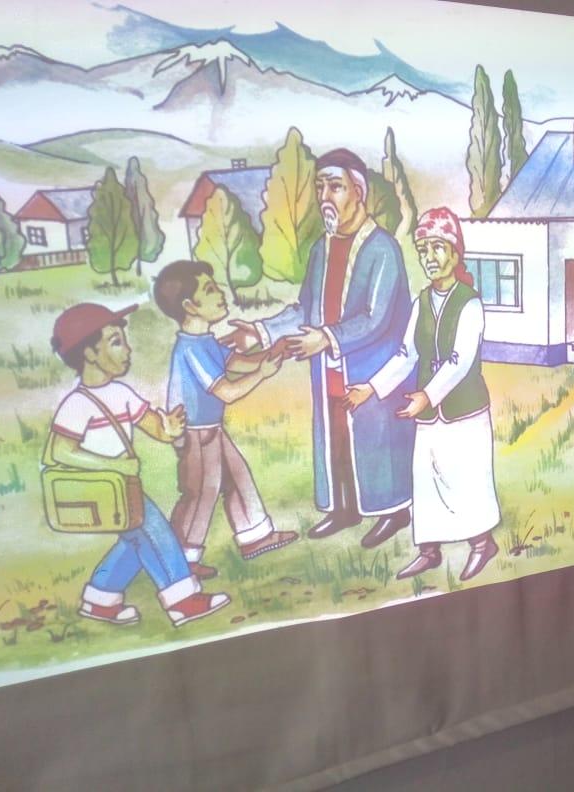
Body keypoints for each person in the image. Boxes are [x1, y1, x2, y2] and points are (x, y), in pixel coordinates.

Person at [222, 149, 414, 549]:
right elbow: (304, 309)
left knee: (376, 439)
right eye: (321, 187)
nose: (325, 197)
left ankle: (393, 510)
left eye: (335, 187)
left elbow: (376, 318)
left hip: (371, 369)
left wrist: (326, 338)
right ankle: (344, 508)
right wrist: (260, 332)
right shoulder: (320, 250)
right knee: (336, 438)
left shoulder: (382, 249)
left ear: (358, 191)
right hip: (329, 367)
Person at [47, 302, 230, 627]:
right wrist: (113, 466)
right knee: (155, 530)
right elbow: (60, 452)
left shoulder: (121, 393)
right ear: (89, 353)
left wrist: (169, 429)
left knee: (135, 541)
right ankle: (182, 600)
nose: (128, 350)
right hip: (100, 489)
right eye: (116, 342)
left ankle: (100, 600)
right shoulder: (77, 404)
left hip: (122, 487)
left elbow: (155, 427)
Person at [345, 208, 500, 581]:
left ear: (455, 253)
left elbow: (460, 361)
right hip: (429, 414)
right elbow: (406, 355)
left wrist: (427, 396)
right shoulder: (422, 302)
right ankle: (428, 552)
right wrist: (371, 388)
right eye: (423, 249)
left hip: (464, 411)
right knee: (426, 479)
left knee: (466, 477)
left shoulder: (470, 303)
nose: (429, 257)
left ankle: (482, 544)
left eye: (437, 247)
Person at [154, 259, 297, 580]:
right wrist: (262, 373)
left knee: (237, 477)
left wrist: (274, 353)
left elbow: (236, 362)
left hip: (211, 430)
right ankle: (181, 559)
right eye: (210, 289)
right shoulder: (190, 349)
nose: (221, 293)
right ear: (190, 306)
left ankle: (255, 536)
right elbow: (228, 391)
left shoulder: (205, 341)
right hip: (196, 435)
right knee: (201, 493)